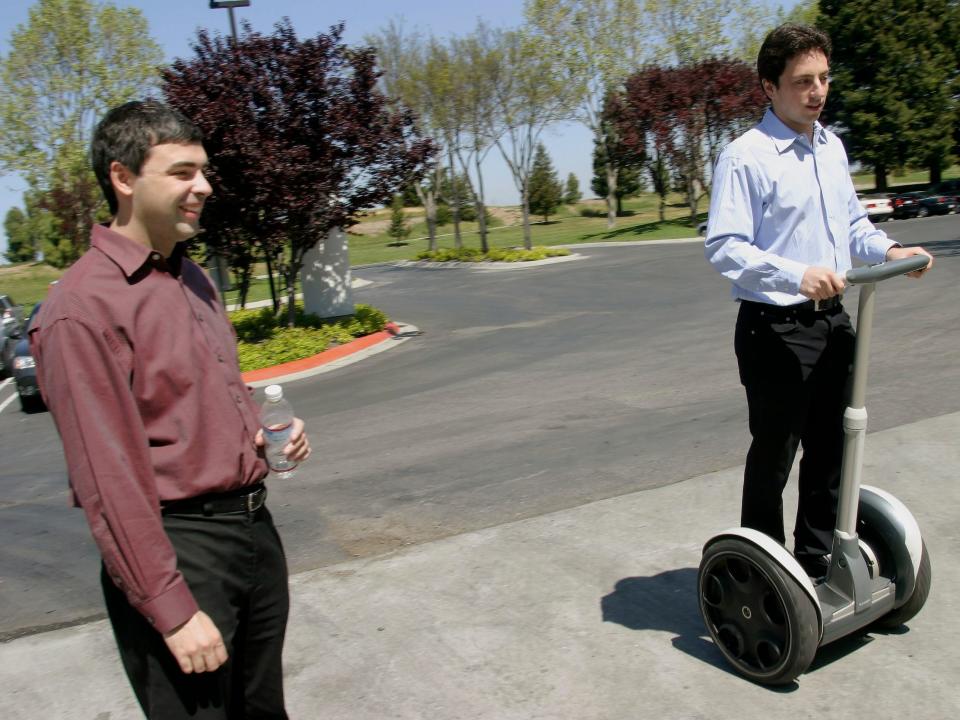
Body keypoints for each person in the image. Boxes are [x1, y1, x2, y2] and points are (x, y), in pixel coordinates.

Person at [30, 99, 311, 719]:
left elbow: (204, 402)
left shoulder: (194, 277)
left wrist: (264, 438)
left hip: (254, 534)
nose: (204, 186)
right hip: (179, 549)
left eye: (203, 170)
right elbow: (108, 481)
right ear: (123, 178)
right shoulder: (80, 311)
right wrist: (170, 605)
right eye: (182, 172)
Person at [704, 24, 932, 578]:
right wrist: (795, 274)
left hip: (833, 320)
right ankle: (760, 573)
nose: (818, 91)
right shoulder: (746, 157)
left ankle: (816, 558)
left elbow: (853, 223)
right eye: (803, 81)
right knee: (776, 454)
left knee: (833, 446)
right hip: (773, 329)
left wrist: (891, 246)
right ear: (769, 87)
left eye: (824, 78)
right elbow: (724, 246)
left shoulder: (830, 147)